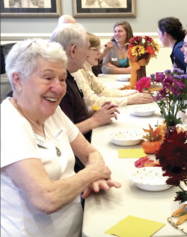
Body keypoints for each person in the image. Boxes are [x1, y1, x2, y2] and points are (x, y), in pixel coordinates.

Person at [1, 39, 121, 237]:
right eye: (48, 78)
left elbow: (90, 152)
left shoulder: (51, 112)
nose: (58, 88)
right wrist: (92, 174)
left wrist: (94, 173)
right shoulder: (8, 124)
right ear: (17, 80)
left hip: (78, 229)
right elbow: (46, 198)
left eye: (62, 79)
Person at [49, 23, 120, 172]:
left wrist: (94, 113)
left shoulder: (69, 76)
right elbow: (60, 134)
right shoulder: (59, 87)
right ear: (74, 50)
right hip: (75, 162)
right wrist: (95, 120)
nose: (88, 54)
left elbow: (72, 118)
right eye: (87, 48)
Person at [72, 33, 153, 107]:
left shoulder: (86, 67)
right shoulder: (77, 71)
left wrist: (132, 93)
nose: (100, 53)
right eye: (95, 50)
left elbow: (102, 90)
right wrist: (129, 100)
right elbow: (91, 101)